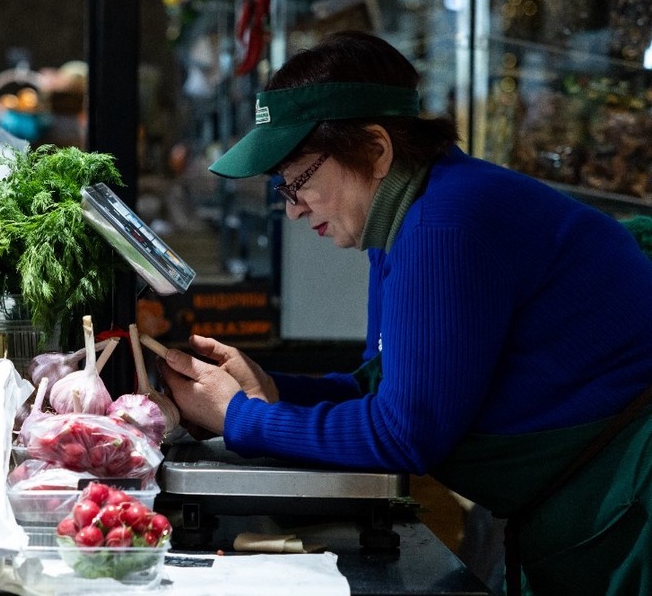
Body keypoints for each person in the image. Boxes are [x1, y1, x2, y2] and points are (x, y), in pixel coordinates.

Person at [159, 30, 652, 596]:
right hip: (578, 505)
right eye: (281, 188)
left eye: (298, 180)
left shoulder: (444, 226)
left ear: (375, 148)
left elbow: (406, 434)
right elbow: (383, 389)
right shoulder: (402, 226)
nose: (292, 210)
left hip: (629, 506)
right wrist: (273, 389)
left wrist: (240, 418)